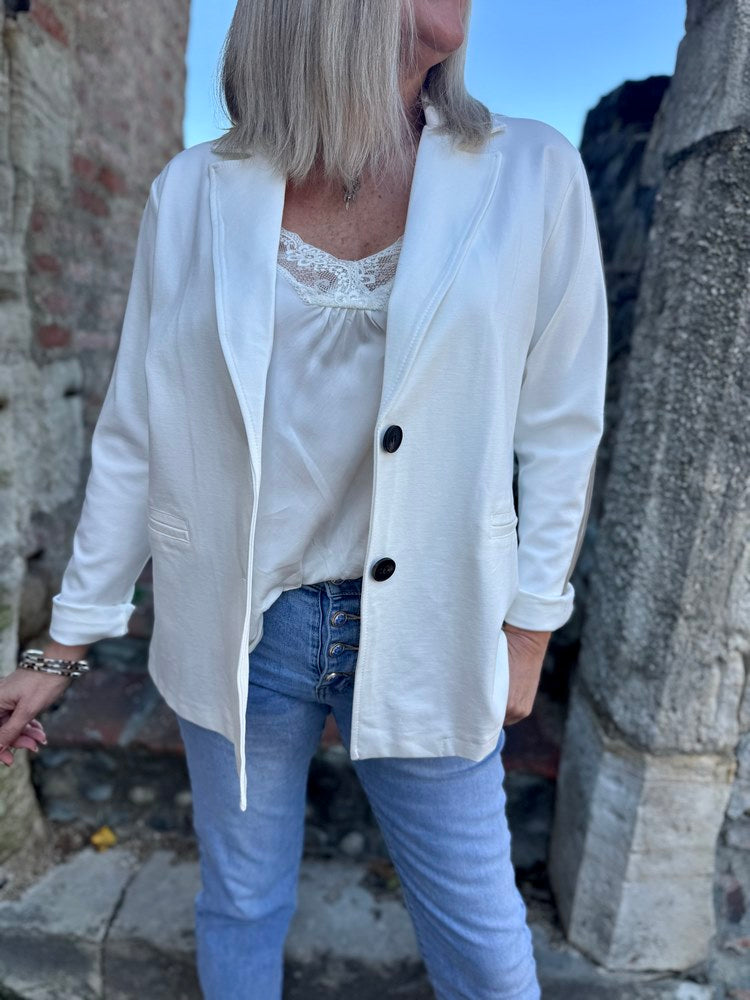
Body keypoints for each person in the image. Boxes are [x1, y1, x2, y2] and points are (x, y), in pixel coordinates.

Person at [0, 1, 608, 997]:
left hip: (434, 623)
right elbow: (138, 433)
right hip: (245, 627)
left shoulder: (531, 172)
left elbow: (562, 424)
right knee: (240, 900)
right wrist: (60, 648)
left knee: (486, 947)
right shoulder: (195, 192)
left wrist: (531, 627)